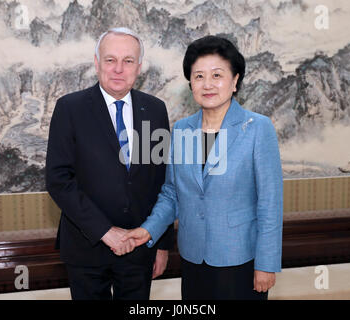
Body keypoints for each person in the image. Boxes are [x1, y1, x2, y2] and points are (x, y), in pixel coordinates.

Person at [122, 35, 283, 300]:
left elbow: (270, 203)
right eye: (198, 77)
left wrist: (266, 264)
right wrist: (148, 229)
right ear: (191, 84)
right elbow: (172, 193)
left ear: (235, 81)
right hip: (194, 258)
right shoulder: (183, 129)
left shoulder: (257, 128)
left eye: (217, 75)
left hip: (240, 260)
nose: (207, 84)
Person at [45, 27, 174, 300]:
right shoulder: (70, 108)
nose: (118, 68)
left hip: (139, 246)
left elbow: (161, 180)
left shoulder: (155, 109)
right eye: (110, 59)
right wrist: (105, 232)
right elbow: (59, 180)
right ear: (96, 63)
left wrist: (161, 244)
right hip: (86, 246)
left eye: (128, 61)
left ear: (139, 67)